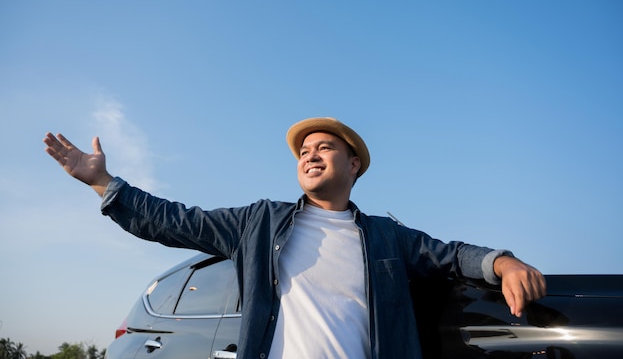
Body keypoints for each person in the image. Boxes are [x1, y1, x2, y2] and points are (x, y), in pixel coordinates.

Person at [43, 117, 546, 359]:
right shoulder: (260, 222)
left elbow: (451, 256)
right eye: (303, 150)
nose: (309, 154)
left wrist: (503, 263)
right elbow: (177, 221)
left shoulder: (387, 237)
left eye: (324, 147)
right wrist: (104, 183)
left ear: (354, 165)